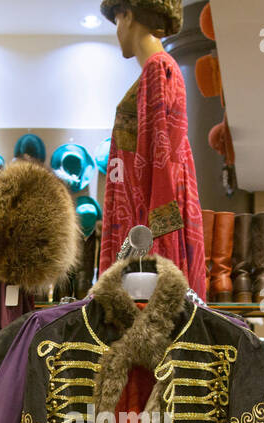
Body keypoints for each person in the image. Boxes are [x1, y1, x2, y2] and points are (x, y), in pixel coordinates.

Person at [98, 0, 206, 299]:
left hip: (144, 228)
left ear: (128, 15)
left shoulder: (159, 70)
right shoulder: (156, 71)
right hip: (139, 223)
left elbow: (161, 164)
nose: (117, 30)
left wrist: (156, 251)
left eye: (117, 19)